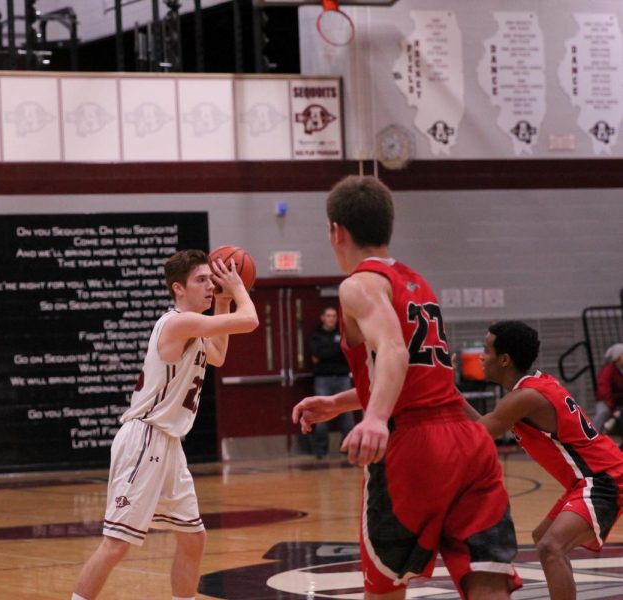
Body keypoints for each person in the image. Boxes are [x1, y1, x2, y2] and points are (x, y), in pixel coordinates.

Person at [291, 175, 519, 599]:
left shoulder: (358, 285)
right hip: (468, 445)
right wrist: (343, 403)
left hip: (413, 448)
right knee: (486, 579)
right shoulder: (417, 282)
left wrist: (375, 418)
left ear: (336, 231)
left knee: (385, 587)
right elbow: (416, 374)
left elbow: (394, 350)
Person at [73, 249, 258, 600]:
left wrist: (221, 301)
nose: (209, 285)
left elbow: (217, 354)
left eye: (211, 278)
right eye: (201, 280)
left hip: (168, 444)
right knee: (116, 545)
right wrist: (236, 288)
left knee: (193, 537)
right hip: (145, 439)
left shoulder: (196, 327)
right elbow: (249, 321)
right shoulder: (178, 323)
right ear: (178, 288)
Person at [465, 321, 623, 599]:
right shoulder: (532, 386)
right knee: (545, 539)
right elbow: (483, 425)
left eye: (486, 350)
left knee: (551, 546)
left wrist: (440, 388)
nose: (480, 356)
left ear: (504, 359)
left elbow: (478, 432)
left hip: (603, 478)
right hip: (592, 478)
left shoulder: (525, 397)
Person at [307, 306, 353, 457]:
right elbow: (316, 353)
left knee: (347, 415)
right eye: (328, 316)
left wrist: (325, 354)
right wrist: (337, 349)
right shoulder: (315, 334)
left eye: (334, 316)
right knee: (321, 414)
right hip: (323, 379)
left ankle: (346, 449)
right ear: (323, 317)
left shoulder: (343, 333)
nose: (331, 318)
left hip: (342, 377)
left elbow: (347, 352)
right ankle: (321, 451)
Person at [593, 343, 623, 434]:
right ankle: (592, 435)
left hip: (620, 400)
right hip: (608, 401)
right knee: (603, 412)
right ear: (618, 357)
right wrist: (613, 408)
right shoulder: (608, 370)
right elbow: (604, 390)